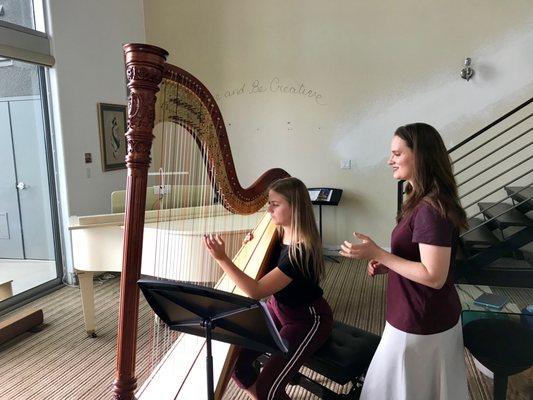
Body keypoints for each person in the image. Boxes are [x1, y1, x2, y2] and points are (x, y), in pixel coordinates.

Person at [339, 123, 469, 400]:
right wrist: (390, 263)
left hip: (422, 320)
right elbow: (420, 258)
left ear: (420, 156)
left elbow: (434, 276)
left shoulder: (431, 209)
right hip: (416, 312)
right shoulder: (418, 199)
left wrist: (379, 254)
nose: (390, 160)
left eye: (397, 154)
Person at [204, 177, 333, 400]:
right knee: (234, 363)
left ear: (295, 207)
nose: (268, 209)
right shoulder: (279, 233)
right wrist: (251, 245)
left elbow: (256, 290)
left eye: (275, 204)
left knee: (268, 389)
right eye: (269, 203)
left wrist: (222, 258)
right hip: (276, 309)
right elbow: (262, 271)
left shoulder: (300, 251)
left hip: (306, 320)